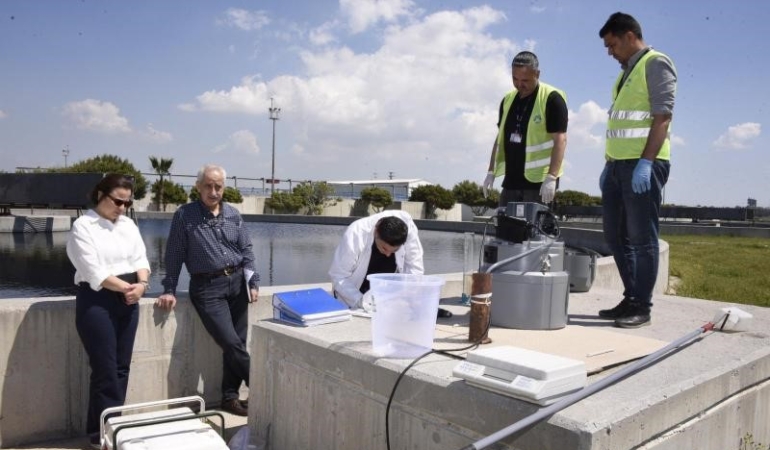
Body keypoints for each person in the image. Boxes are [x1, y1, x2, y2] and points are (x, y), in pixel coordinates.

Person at [156, 164, 259, 417]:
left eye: (218, 186)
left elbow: (246, 250)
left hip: (237, 284)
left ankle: (230, 397)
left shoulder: (234, 214)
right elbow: (174, 255)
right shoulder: (185, 215)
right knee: (232, 343)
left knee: (238, 342)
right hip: (207, 289)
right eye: (208, 186)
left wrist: (253, 282)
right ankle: (264, 386)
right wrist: (169, 288)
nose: (213, 191)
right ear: (198, 187)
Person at [597, 12, 677, 328]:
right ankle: (631, 297)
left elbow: (663, 117)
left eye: (612, 44)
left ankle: (642, 306)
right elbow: (620, 125)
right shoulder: (624, 74)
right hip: (617, 168)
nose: (610, 51)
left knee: (643, 239)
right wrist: (609, 165)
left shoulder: (656, 63)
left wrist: (646, 163)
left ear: (630, 36)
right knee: (615, 237)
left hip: (643, 166)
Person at [66, 173, 155, 449]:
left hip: (128, 297)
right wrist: (129, 288)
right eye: (118, 201)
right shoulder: (83, 225)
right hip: (97, 300)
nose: (122, 208)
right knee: (105, 370)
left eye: (127, 203)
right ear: (100, 195)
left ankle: (101, 432)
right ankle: (107, 434)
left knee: (120, 368)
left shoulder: (128, 225)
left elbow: (140, 257)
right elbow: (94, 271)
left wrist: (141, 284)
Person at [483, 51, 568, 206]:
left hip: (539, 184)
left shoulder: (552, 99)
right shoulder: (508, 100)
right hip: (511, 181)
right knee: (505, 228)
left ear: (537, 74)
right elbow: (500, 138)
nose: (519, 85)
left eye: (525, 80)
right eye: (515, 79)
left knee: (534, 229)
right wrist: (491, 171)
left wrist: (552, 177)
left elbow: (560, 140)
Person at [329, 210, 424, 310]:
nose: (388, 254)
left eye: (395, 250)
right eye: (384, 248)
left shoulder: (407, 228)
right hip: (353, 293)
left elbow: (414, 268)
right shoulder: (356, 233)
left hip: (386, 294)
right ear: (376, 232)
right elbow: (338, 276)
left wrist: (409, 297)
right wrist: (360, 301)